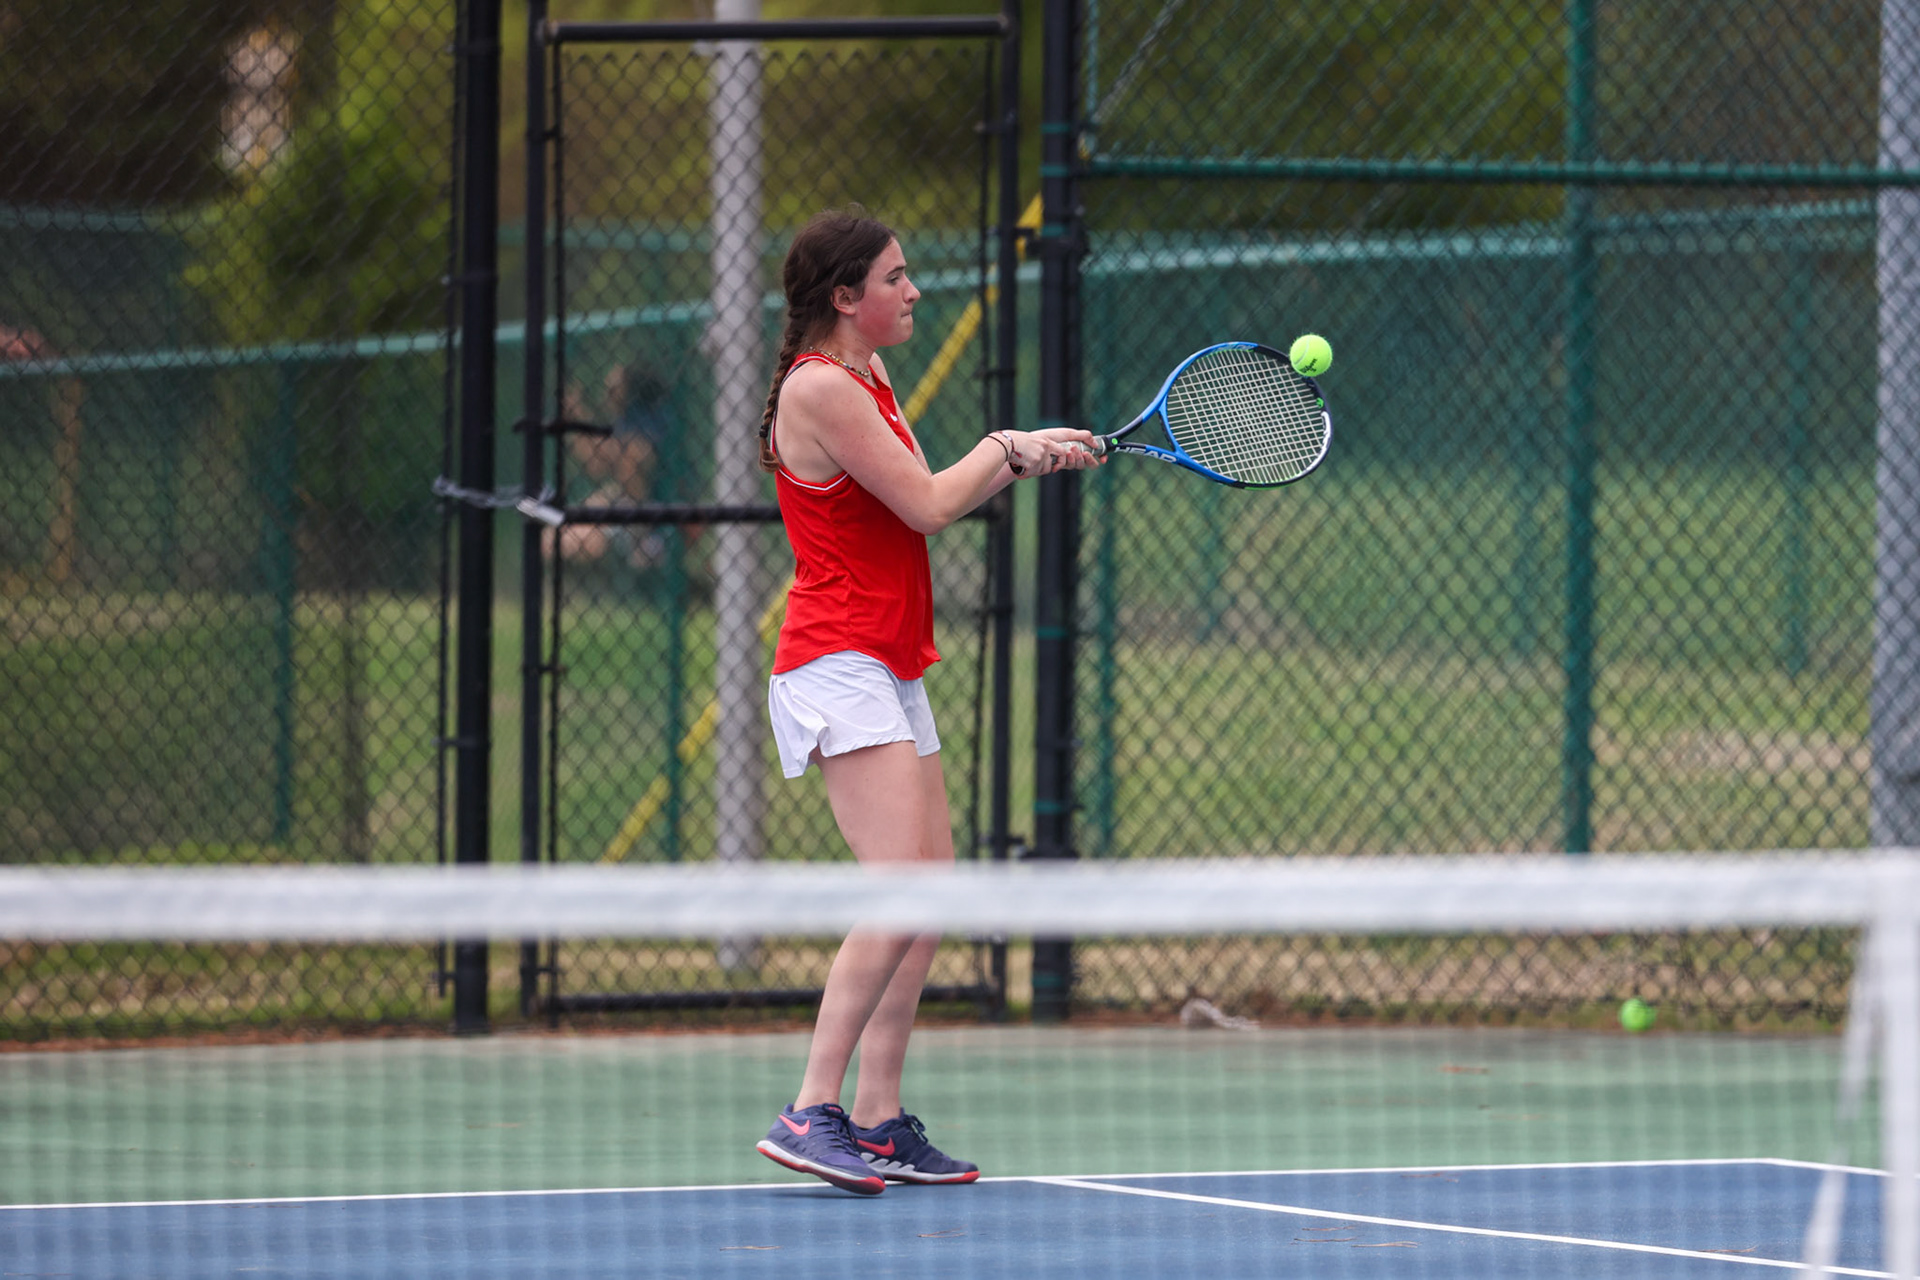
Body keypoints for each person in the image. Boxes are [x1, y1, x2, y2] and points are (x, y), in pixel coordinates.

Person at [754, 207, 1100, 1195]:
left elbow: (920, 492)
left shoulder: (868, 373)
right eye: (896, 278)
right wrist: (1010, 445)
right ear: (844, 298)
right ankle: (808, 1107)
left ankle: (874, 1116)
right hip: (836, 660)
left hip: (889, 657)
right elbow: (929, 502)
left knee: (931, 887)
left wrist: (1022, 449)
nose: (913, 292)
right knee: (898, 887)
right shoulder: (821, 387)